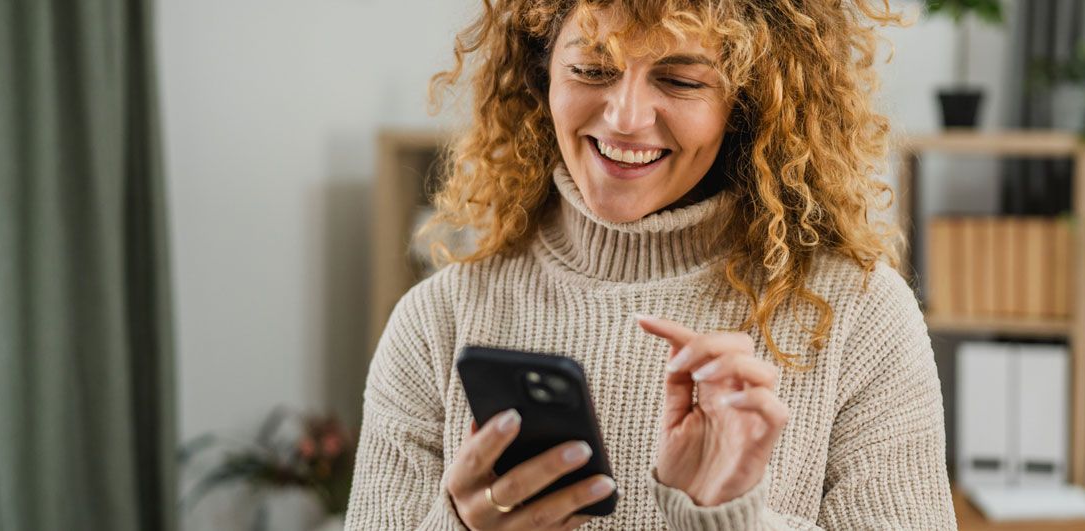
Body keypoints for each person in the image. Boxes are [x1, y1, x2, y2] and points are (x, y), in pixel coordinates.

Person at [346, 0, 957, 529]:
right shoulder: (438, 319)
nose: (626, 118)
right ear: (541, 74)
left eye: (682, 81)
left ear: (747, 98)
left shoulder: (859, 316)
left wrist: (732, 517)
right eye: (592, 69)